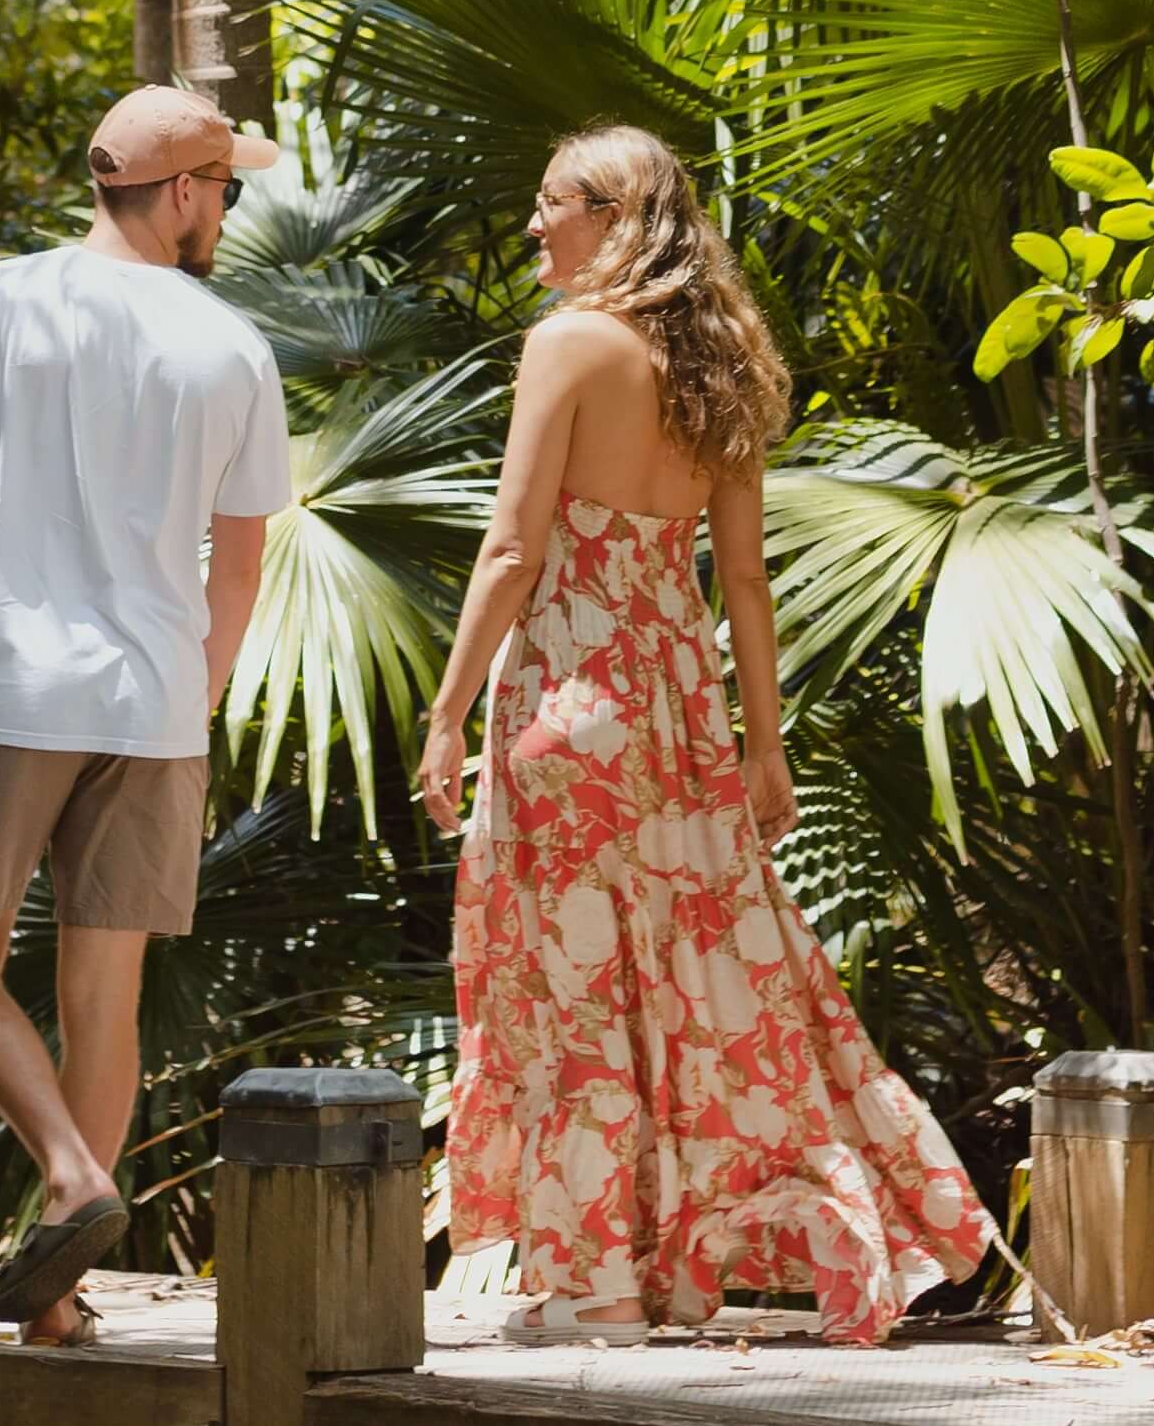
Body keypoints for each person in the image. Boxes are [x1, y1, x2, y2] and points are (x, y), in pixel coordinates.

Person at [415, 125, 996, 1345]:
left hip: (571, 707)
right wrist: (765, 744)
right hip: (680, 718)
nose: (534, 228)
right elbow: (743, 582)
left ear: (614, 212)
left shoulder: (569, 341)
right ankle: (680, 1276)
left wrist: (448, 705)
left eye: (549, 204)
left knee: (578, 995)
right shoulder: (724, 361)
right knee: (694, 992)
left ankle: (604, 1289)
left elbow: (516, 547)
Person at [0, 83, 294, 1339]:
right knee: (107, 994)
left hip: (16, 688)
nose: (226, 215)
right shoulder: (232, 346)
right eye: (226, 192)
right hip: (153, 704)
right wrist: (187, 699)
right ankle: (63, 1280)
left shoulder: (1, 297)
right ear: (187, 192)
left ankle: (73, 1186)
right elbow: (237, 566)